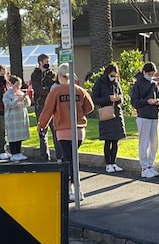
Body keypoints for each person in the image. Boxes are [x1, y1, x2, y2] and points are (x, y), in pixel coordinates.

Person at [37, 63, 95, 202]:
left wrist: (41, 125)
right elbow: (90, 107)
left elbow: (48, 110)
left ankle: (72, 189)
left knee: (67, 161)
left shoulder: (55, 92)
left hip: (63, 131)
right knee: (72, 159)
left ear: (59, 76)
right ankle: (76, 189)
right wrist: (79, 113)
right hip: (79, 130)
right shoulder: (79, 90)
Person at [129, 61, 159, 178]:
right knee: (144, 143)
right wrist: (146, 102)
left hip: (154, 115)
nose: (151, 76)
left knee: (154, 142)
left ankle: (150, 164)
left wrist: (158, 102)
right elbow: (134, 102)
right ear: (144, 72)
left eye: (153, 74)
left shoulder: (154, 84)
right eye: (149, 73)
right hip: (143, 116)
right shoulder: (137, 85)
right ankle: (144, 167)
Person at [91, 63, 126, 173]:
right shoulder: (99, 84)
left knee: (116, 140)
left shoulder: (116, 84)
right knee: (108, 140)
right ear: (107, 74)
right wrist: (108, 99)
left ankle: (114, 162)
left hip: (116, 113)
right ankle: (108, 163)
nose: (113, 78)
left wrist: (118, 99)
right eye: (111, 75)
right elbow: (95, 99)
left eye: (115, 76)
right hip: (106, 113)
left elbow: (122, 96)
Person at [30, 54, 57, 161]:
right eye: (46, 61)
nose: (48, 63)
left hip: (52, 105)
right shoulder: (35, 75)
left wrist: (48, 89)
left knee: (55, 130)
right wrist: (49, 89)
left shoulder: (52, 74)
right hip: (40, 105)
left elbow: (55, 88)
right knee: (42, 131)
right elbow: (38, 90)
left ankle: (59, 155)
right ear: (40, 62)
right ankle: (44, 156)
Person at [3, 75, 31, 162]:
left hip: (20, 118)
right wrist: (18, 100)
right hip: (12, 118)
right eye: (16, 85)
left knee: (19, 136)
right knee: (13, 136)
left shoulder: (21, 93)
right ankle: (13, 153)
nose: (18, 87)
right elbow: (8, 105)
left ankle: (19, 152)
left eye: (20, 85)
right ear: (12, 84)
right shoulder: (7, 94)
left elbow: (28, 104)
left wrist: (26, 98)